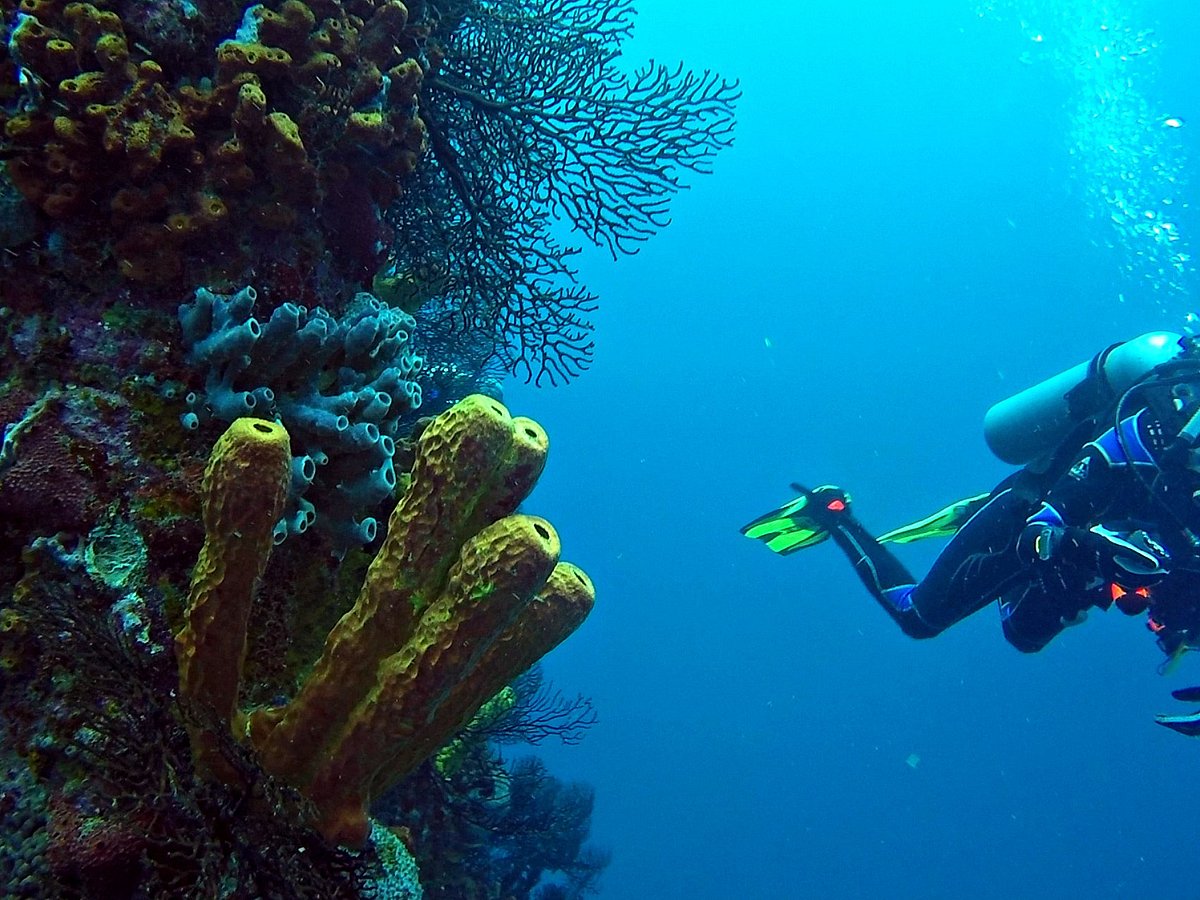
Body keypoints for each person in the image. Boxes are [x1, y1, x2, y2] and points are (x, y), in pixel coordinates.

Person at [742, 331, 1200, 736]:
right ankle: (834, 511)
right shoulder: (1170, 431)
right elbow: (1059, 510)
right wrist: (1080, 544)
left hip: (1123, 537)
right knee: (919, 618)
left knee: (1025, 636)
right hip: (1043, 499)